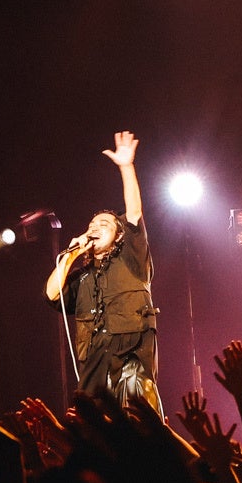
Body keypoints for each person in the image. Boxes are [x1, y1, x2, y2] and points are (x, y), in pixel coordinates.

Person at [45, 131, 161, 411]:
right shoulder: (83, 277)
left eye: (104, 224)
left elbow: (133, 214)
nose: (95, 227)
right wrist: (72, 253)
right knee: (93, 427)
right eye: (92, 225)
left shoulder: (132, 258)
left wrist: (126, 166)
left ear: (119, 236)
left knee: (137, 420)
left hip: (132, 360)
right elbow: (51, 294)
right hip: (95, 369)